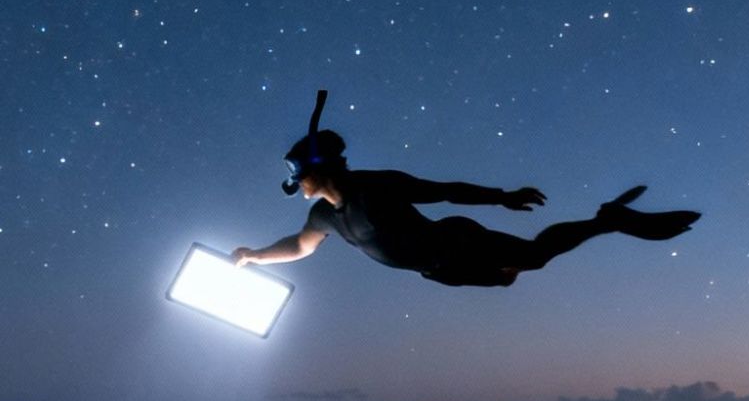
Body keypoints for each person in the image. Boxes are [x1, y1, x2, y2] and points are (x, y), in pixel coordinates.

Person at [233, 92, 699, 287]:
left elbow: (446, 190)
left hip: (454, 242)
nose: (300, 188)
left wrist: (501, 196)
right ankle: (602, 221)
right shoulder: (322, 218)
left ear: (319, 168)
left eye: (301, 178)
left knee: (533, 257)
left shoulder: (378, 187)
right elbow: (298, 247)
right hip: (436, 271)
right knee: (510, 276)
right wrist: (255, 255)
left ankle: (607, 220)